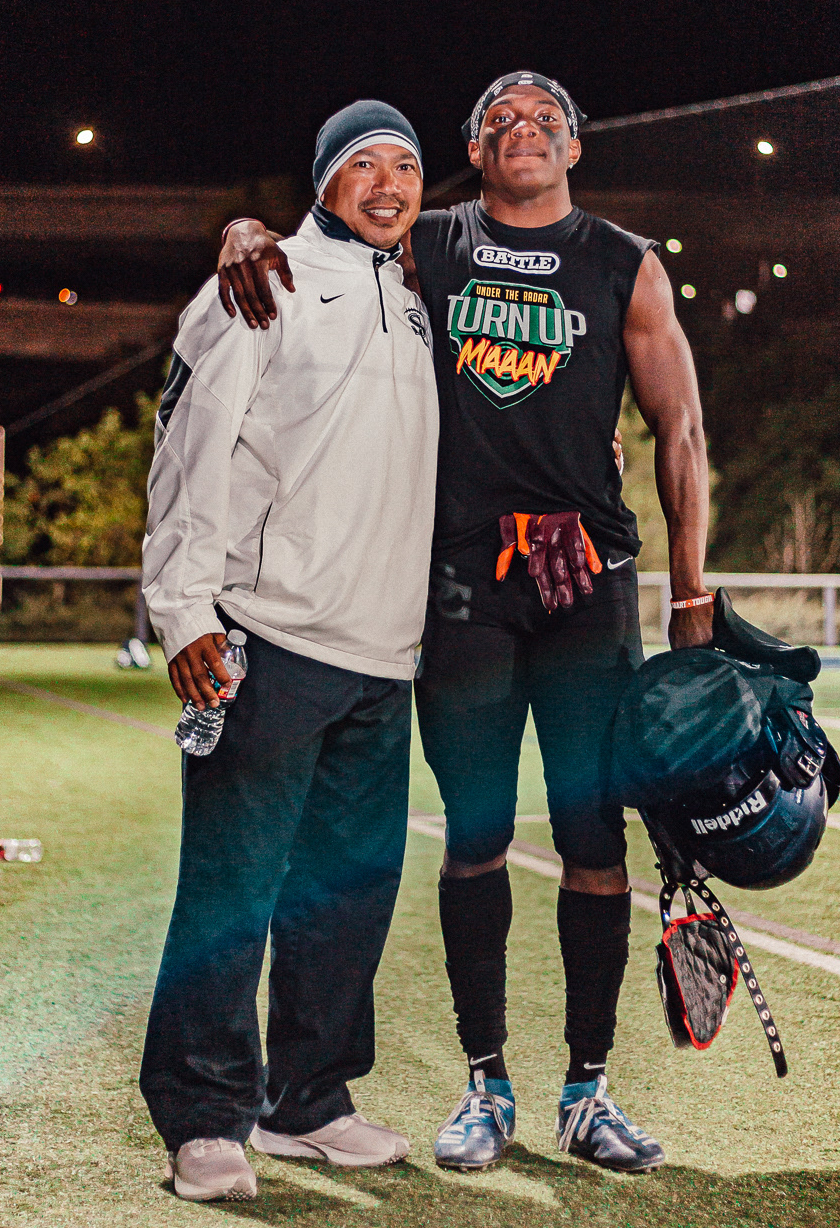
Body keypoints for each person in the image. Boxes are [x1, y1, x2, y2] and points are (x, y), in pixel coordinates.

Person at [216, 71, 714, 1174]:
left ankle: (587, 1088)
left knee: (595, 842)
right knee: (475, 837)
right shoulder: (428, 242)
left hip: (586, 584)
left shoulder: (626, 263)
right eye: (500, 121)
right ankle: (485, 1083)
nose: (524, 128)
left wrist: (691, 595)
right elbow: (325, 249)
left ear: (575, 147)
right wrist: (248, 232)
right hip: (463, 589)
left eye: (546, 119)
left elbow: (679, 429)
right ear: (476, 152)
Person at [139, 100, 438, 1202]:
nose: (389, 183)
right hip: (264, 638)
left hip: (383, 656)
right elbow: (189, 448)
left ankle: (307, 1102)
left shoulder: (416, 300)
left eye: (406, 165)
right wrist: (185, 612)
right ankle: (204, 1117)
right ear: (324, 182)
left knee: (345, 897)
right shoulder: (260, 282)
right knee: (232, 889)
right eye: (365, 164)